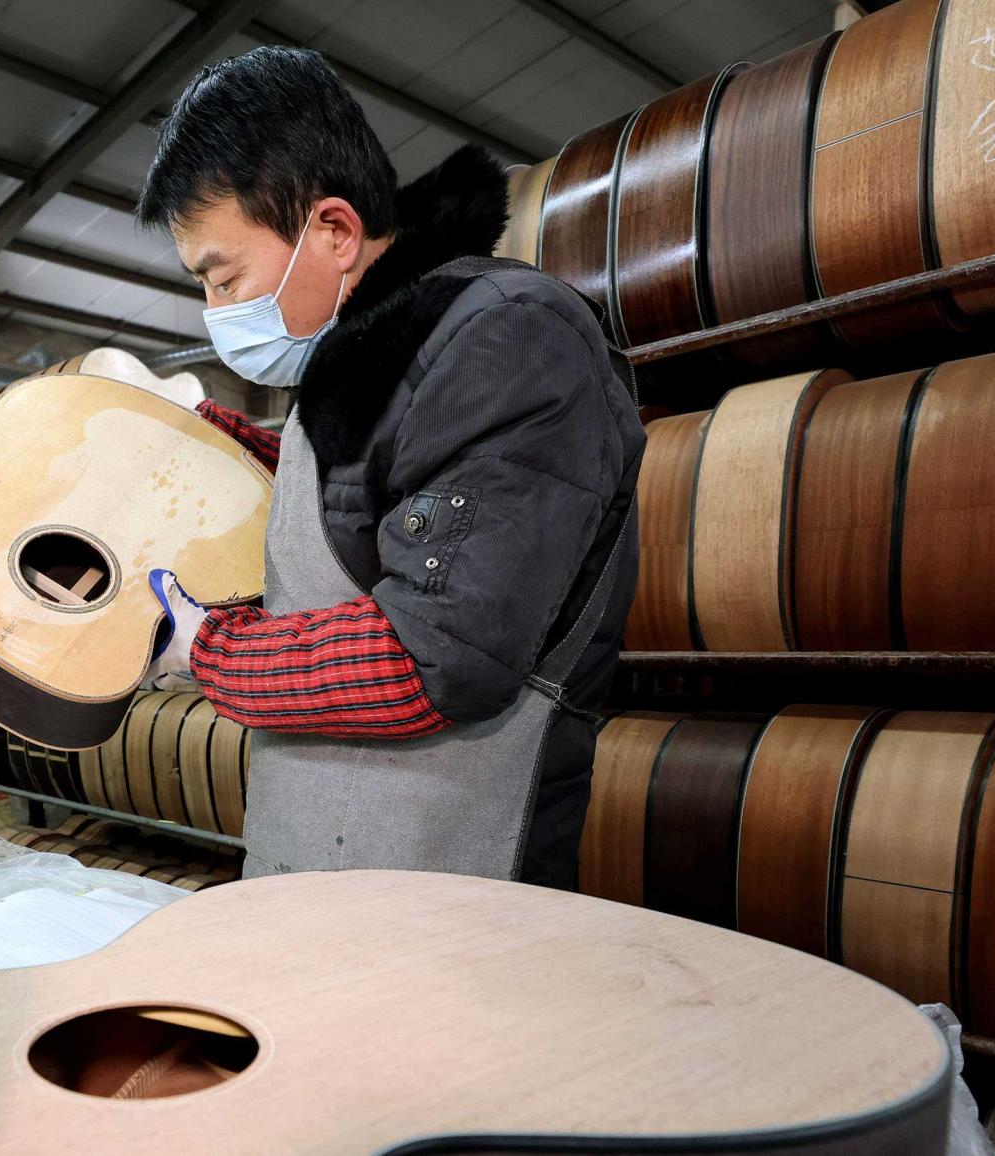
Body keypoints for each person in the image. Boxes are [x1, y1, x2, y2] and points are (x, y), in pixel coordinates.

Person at [135, 46, 645, 888]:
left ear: (332, 230)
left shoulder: (508, 339)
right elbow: (351, 507)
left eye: (223, 280)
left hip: (453, 885)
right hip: (314, 868)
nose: (215, 312)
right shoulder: (355, 367)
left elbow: (432, 655)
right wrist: (198, 437)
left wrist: (212, 653)